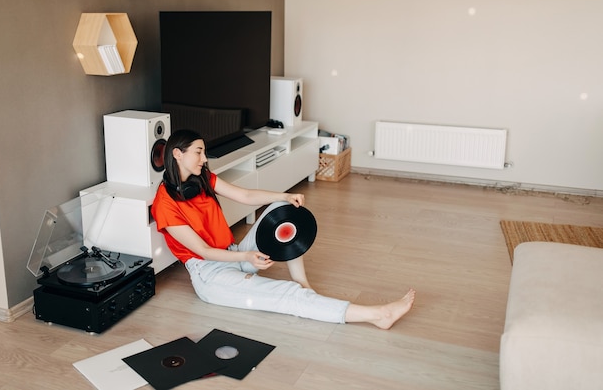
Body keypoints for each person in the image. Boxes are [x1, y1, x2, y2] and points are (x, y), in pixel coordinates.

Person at [151, 129, 415, 329]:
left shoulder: (202, 179)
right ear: (177, 153)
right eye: (198, 152)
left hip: (233, 253)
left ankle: (304, 285)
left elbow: (243, 195)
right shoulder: (164, 204)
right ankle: (379, 315)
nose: (204, 158)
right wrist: (246, 257)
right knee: (285, 296)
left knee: (284, 212)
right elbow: (204, 251)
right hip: (210, 273)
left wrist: (285, 196)